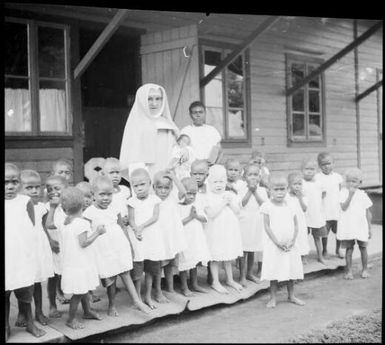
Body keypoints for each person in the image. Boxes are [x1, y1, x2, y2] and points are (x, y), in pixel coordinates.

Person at [83, 176, 150, 315]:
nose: (106, 198)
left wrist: (130, 246)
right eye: (102, 194)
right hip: (103, 250)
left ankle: (137, 301)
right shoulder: (89, 213)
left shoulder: (115, 208)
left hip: (119, 246)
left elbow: (122, 227)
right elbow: (86, 233)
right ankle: (112, 305)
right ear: (93, 195)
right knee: (110, 279)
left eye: (109, 194)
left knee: (125, 273)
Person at [5, 163, 46, 340]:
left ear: (19, 183)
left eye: (14, 182)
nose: (10, 186)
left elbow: (31, 227)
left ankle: (30, 323)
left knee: (25, 291)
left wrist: (30, 253)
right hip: (7, 256)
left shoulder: (25, 201)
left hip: (23, 254)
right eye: (5, 182)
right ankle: (5, 326)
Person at [60, 187, 104, 329]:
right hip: (79, 264)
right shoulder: (81, 223)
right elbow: (84, 242)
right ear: (82, 205)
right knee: (78, 294)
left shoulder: (66, 222)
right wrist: (98, 232)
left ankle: (87, 311)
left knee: (83, 289)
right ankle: (71, 319)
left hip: (73, 263)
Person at [260, 174, 305, 308]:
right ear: (270, 190)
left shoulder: (291, 205)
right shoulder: (267, 206)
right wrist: (277, 242)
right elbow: (266, 226)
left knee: (291, 270)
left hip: (290, 245)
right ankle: (273, 298)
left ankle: (291, 295)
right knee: (275, 270)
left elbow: (296, 225)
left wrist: (293, 240)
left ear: (287, 189)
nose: (280, 193)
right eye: (276, 189)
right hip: (275, 245)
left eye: (282, 189)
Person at [119, 83, 180, 180]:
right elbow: (132, 158)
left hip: (167, 174)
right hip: (145, 175)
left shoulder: (168, 124)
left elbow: (177, 149)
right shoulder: (136, 125)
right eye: (149, 99)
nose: (154, 103)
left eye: (158, 99)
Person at [18, 170, 55, 327]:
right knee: (24, 283)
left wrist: (51, 241)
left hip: (38, 248)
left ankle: (39, 311)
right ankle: (23, 312)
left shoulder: (41, 207)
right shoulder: (17, 207)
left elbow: (44, 227)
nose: (34, 191)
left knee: (37, 282)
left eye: (37, 187)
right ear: (20, 189)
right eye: (29, 188)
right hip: (24, 249)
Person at [204, 164, 244, 294]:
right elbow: (211, 214)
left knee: (228, 255)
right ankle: (215, 281)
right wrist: (223, 203)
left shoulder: (229, 194)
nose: (219, 185)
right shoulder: (208, 197)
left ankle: (230, 279)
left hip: (228, 231)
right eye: (215, 182)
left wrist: (230, 202)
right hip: (216, 231)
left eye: (221, 181)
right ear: (209, 183)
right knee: (215, 256)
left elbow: (238, 211)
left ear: (226, 182)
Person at [127, 168, 163, 309]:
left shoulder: (155, 200)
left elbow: (155, 217)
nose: (139, 188)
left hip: (151, 237)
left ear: (149, 183)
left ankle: (147, 296)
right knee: (138, 270)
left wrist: (141, 227)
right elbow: (131, 220)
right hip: (138, 238)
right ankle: (138, 298)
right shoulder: (131, 201)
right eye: (135, 186)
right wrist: (137, 230)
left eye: (142, 184)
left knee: (150, 270)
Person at [153, 169, 187, 300]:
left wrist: (174, 177)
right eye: (160, 187)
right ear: (154, 187)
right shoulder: (153, 200)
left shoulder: (172, 197)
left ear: (171, 188)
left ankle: (170, 288)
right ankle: (158, 291)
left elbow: (183, 192)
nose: (163, 191)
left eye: (166, 188)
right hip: (160, 238)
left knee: (169, 264)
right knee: (159, 265)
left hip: (171, 237)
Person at [337, 168, 373, 280]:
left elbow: (368, 213)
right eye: (348, 181)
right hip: (348, 226)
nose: (351, 184)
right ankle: (348, 271)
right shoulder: (342, 193)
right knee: (349, 249)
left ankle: (365, 269)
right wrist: (350, 195)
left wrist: (369, 228)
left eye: (354, 181)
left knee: (363, 248)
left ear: (360, 182)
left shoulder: (362, 194)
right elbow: (343, 207)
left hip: (361, 226)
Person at [177, 177, 211, 296]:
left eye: (194, 194)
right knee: (184, 262)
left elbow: (205, 219)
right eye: (189, 193)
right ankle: (184, 286)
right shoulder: (178, 207)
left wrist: (196, 216)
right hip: (184, 239)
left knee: (194, 261)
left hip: (195, 238)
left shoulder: (196, 205)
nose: (191, 197)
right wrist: (190, 217)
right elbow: (177, 224)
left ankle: (195, 284)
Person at [237, 163, 268, 286]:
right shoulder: (242, 190)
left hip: (256, 222)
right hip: (245, 222)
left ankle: (250, 273)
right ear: (244, 177)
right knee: (244, 250)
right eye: (250, 175)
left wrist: (255, 192)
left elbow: (263, 205)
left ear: (260, 177)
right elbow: (242, 204)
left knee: (252, 250)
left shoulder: (262, 190)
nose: (253, 177)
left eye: (256, 175)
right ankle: (242, 276)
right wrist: (250, 190)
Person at [45, 174, 70, 314]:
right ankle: (52, 305)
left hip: (65, 246)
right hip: (53, 247)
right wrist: (50, 242)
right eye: (49, 189)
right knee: (53, 277)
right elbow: (45, 227)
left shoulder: (67, 207)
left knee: (66, 273)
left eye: (57, 188)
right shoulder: (46, 207)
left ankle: (73, 299)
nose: (53, 192)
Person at [76, 181, 101, 303]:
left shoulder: (93, 210)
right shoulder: (77, 213)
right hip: (81, 245)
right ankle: (85, 294)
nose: (86, 200)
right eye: (83, 197)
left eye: (89, 197)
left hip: (92, 244)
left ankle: (91, 292)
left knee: (92, 269)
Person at [315, 152, 344, 258]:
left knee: (339, 231)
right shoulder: (317, 177)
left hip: (336, 208)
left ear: (333, 164)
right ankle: (325, 250)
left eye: (329, 163)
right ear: (319, 166)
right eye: (323, 164)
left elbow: (340, 191)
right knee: (324, 233)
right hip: (325, 209)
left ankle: (338, 249)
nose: (327, 166)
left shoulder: (337, 177)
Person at [301, 158, 327, 265]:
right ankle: (303, 257)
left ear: (316, 171)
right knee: (303, 237)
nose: (309, 171)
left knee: (318, 237)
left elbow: (323, 194)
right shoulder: (301, 182)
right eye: (307, 169)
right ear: (302, 170)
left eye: (312, 169)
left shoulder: (319, 183)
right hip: (305, 214)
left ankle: (320, 256)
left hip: (316, 214)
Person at [286, 172, 310, 264]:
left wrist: (299, 197)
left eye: (299, 184)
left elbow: (304, 209)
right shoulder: (287, 196)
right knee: (292, 238)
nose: (297, 186)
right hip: (290, 221)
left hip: (301, 221)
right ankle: (293, 255)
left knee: (302, 237)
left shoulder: (303, 196)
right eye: (295, 184)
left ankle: (303, 255)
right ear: (289, 185)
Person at [101, 157, 131, 224]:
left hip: (126, 224)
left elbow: (130, 206)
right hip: (112, 223)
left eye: (117, 172)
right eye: (111, 172)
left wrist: (128, 217)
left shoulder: (125, 190)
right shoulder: (103, 192)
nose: (115, 175)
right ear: (103, 174)